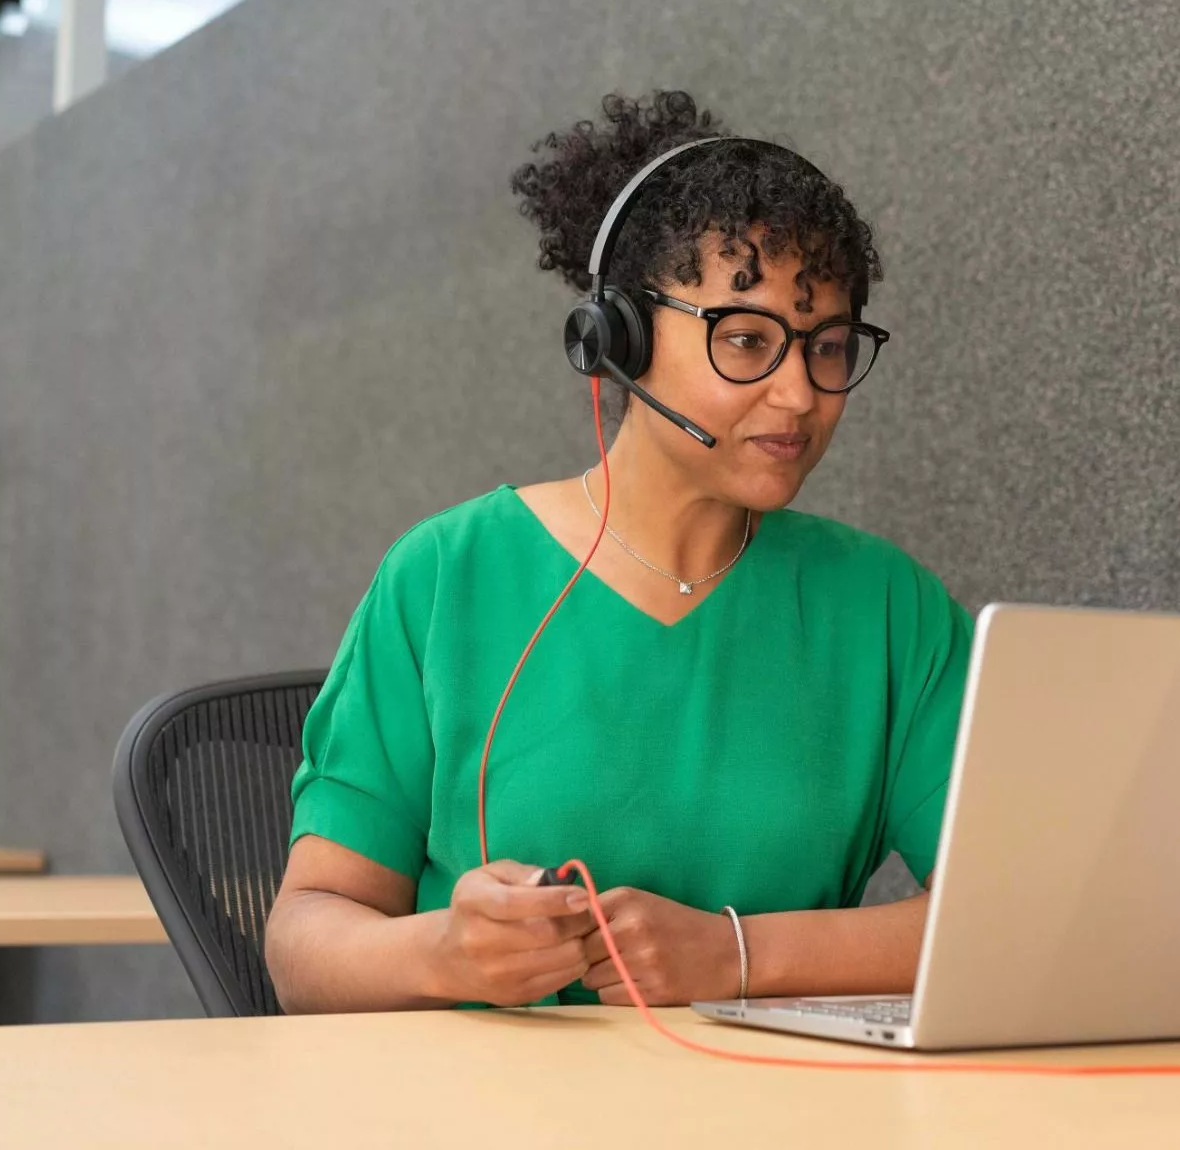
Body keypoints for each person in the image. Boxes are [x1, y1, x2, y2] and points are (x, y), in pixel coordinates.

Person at [264, 90, 973, 1014]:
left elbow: (1007, 918)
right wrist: (443, 955)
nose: (800, 395)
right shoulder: (446, 576)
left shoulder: (888, 610)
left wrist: (736, 954)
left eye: (828, 348)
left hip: (767, 1094)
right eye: (747, 340)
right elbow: (304, 944)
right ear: (619, 340)